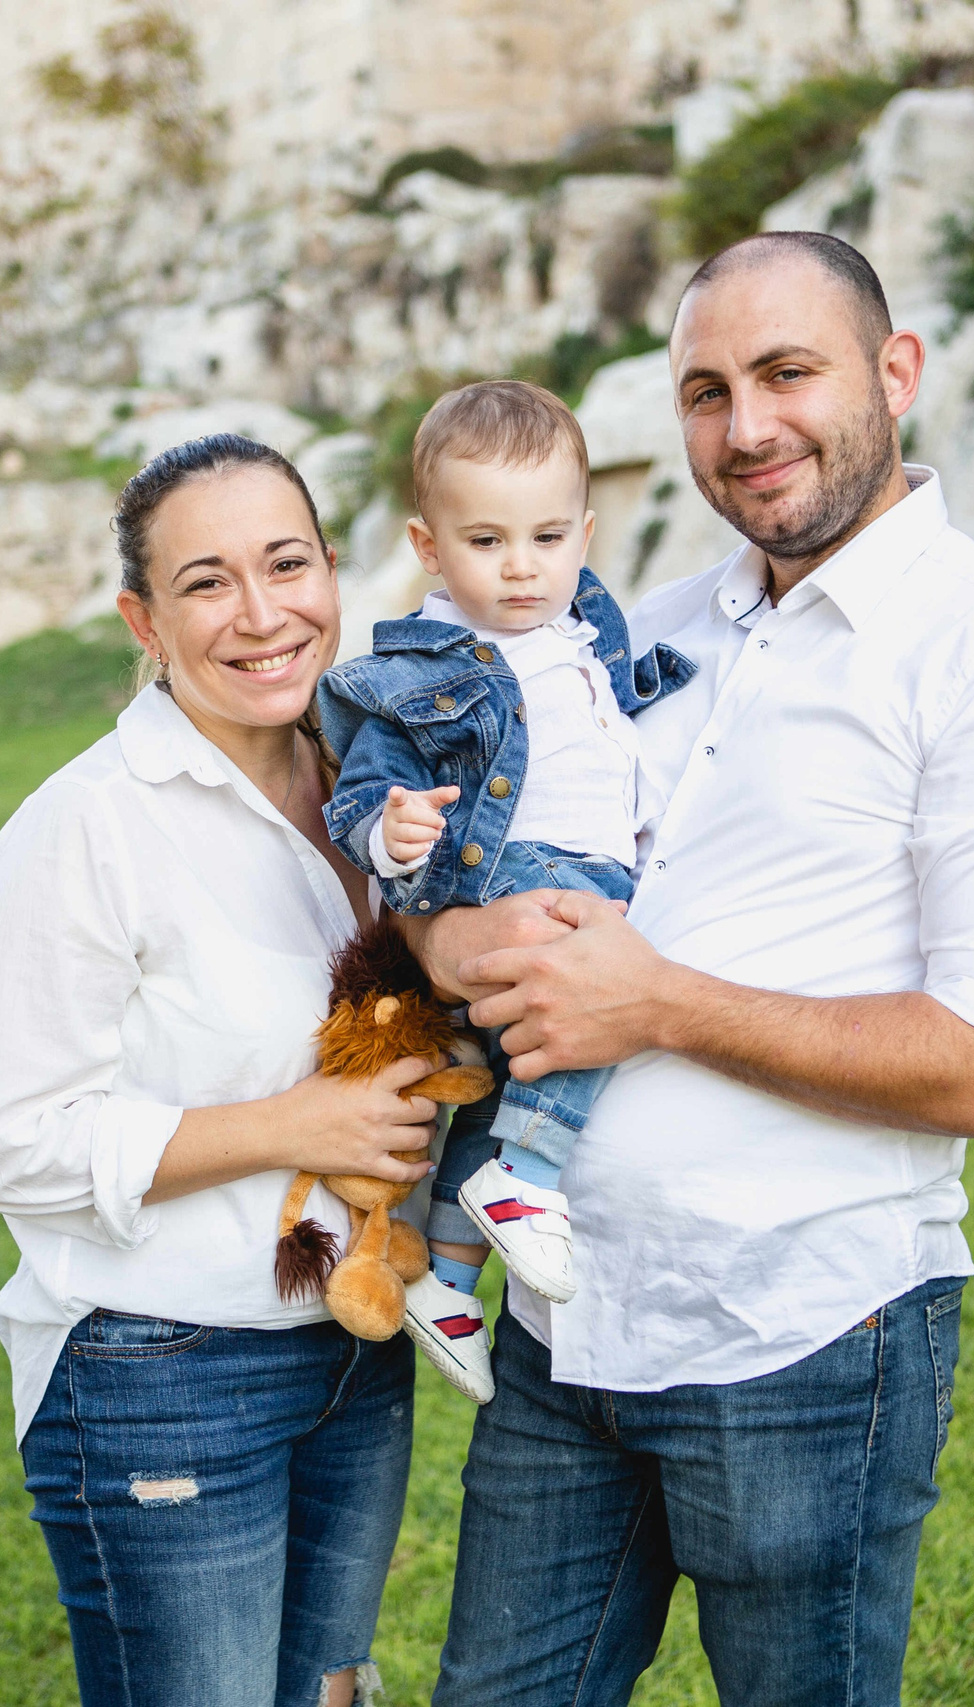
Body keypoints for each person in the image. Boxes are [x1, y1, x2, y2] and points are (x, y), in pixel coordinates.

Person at [416, 232, 974, 1705]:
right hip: (566, 1329)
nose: (745, 427)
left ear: (896, 373)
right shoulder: (642, 628)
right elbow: (480, 860)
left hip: (804, 1341)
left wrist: (662, 1003)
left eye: (785, 373)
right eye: (703, 389)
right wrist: (447, 933)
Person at [0, 434, 441, 1707]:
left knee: (330, 1695)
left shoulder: (373, 789)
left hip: (349, 1346)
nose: (263, 615)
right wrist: (294, 1125)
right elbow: (13, 1142)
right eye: (208, 583)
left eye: (287, 564)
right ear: (143, 620)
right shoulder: (85, 829)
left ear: (336, 570)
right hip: (162, 1370)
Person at [316, 379, 695, 1404]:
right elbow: (360, 791)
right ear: (429, 547)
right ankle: (521, 1179)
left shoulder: (582, 631)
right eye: (485, 542)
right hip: (524, 876)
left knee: (516, 1067)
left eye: (547, 536)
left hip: (589, 866)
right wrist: (389, 835)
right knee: (588, 1023)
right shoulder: (428, 667)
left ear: (584, 530)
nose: (521, 567)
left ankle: (444, 1277)